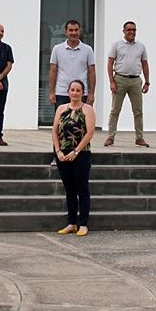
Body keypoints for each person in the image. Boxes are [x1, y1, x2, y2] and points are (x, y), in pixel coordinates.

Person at [53, 80, 96, 237]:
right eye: (72, 90)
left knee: (82, 188)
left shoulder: (87, 110)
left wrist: (76, 151)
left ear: (82, 93)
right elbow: (55, 131)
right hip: (63, 154)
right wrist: (58, 151)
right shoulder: (61, 108)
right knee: (69, 189)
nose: (75, 93)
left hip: (81, 154)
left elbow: (89, 133)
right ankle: (71, 222)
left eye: (78, 90)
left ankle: (83, 223)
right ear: (68, 91)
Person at [105, 21, 150, 148]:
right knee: (115, 109)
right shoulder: (117, 45)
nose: (132, 32)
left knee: (138, 110)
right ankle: (110, 136)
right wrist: (111, 82)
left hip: (136, 80)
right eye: (129, 29)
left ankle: (139, 138)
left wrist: (147, 82)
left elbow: (145, 64)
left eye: (134, 29)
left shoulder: (141, 46)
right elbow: (110, 64)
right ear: (124, 31)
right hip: (120, 79)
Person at [47, 20, 96, 107]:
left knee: (80, 120)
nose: (74, 33)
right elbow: (53, 71)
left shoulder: (88, 49)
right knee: (61, 120)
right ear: (66, 32)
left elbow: (92, 72)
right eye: (71, 30)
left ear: (79, 31)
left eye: (76, 30)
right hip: (61, 92)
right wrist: (51, 92)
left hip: (81, 93)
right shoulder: (57, 49)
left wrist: (91, 93)